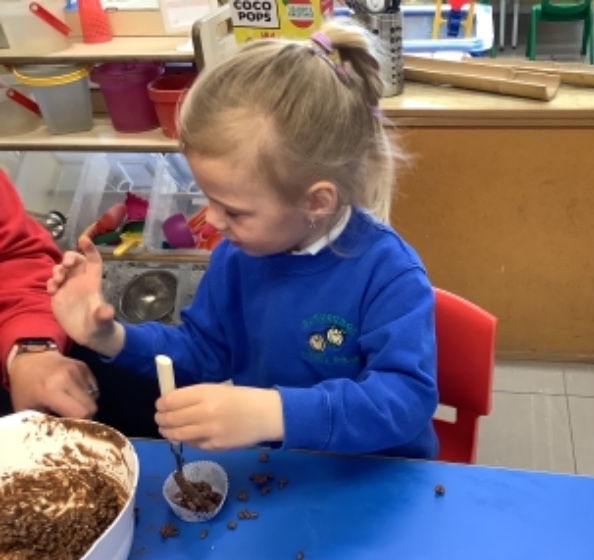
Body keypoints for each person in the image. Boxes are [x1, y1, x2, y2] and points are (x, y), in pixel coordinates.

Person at [48, 19, 439, 459]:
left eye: (233, 210)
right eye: (209, 199)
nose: (213, 221)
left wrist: (275, 413)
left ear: (316, 202)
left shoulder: (389, 273)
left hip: (378, 473)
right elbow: (202, 351)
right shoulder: (237, 256)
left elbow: (404, 400)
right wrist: (112, 338)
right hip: (281, 467)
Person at [0, 170, 161, 438]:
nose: (214, 218)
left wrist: (31, 349)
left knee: (142, 401)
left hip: (20, 339)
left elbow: (14, 257)